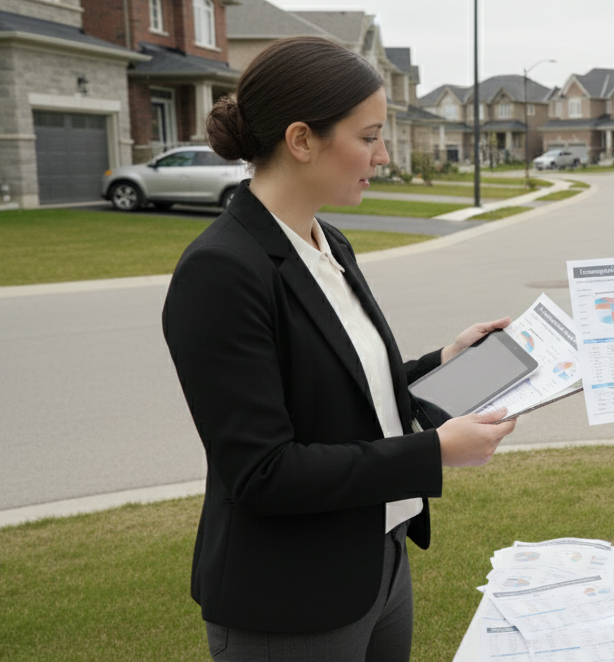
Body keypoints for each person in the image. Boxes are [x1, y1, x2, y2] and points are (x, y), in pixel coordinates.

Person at [162, 35, 516, 661]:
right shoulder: (221, 271)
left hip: (376, 560)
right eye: (369, 136)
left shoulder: (327, 240)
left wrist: (444, 361)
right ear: (302, 140)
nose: (383, 156)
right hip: (289, 597)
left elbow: (347, 389)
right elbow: (262, 473)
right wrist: (434, 451)